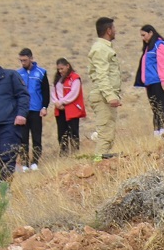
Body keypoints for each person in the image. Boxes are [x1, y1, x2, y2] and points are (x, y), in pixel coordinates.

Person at [87, 17, 124, 157]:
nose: (115, 31)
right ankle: (98, 166)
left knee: (108, 135)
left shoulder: (104, 48)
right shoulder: (100, 49)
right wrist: (110, 96)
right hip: (103, 97)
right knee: (105, 136)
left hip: (105, 96)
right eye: (113, 28)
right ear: (108, 30)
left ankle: (102, 163)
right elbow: (101, 75)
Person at [15, 48, 51, 171]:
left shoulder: (41, 72)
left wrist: (44, 106)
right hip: (23, 111)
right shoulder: (18, 74)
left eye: (25, 60)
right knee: (23, 137)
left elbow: (46, 91)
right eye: (21, 60)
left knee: (36, 136)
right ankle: (24, 162)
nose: (23, 63)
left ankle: (35, 161)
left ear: (31, 58)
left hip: (36, 110)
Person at [134, 26, 164, 136]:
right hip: (150, 82)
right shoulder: (148, 47)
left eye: (144, 35)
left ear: (151, 33)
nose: (143, 38)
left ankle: (163, 131)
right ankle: (156, 131)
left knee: (160, 106)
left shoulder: (159, 45)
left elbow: (163, 63)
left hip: (157, 81)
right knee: (154, 107)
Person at [51, 58, 86, 153]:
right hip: (60, 110)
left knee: (73, 133)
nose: (60, 71)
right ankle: (64, 153)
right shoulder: (58, 79)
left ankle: (75, 153)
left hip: (72, 109)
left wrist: (62, 102)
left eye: (62, 68)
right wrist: (56, 102)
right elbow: (54, 91)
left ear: (67, 66)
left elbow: (74, 93)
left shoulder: (75, 78)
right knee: (62, 133)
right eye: (58, 69)